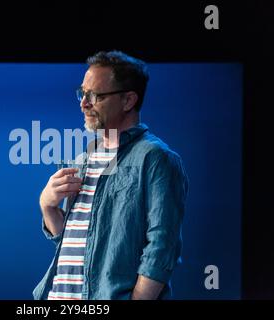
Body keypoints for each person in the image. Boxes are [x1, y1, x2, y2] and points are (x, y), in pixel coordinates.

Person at [33, 50, 188, 300]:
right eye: (82, 93)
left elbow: (162, 247)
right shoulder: (83, 160)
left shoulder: (155, 158)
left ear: (128, 101)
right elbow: (79, 244)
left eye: (95, 95)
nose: (84, 103)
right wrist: (47, 206)